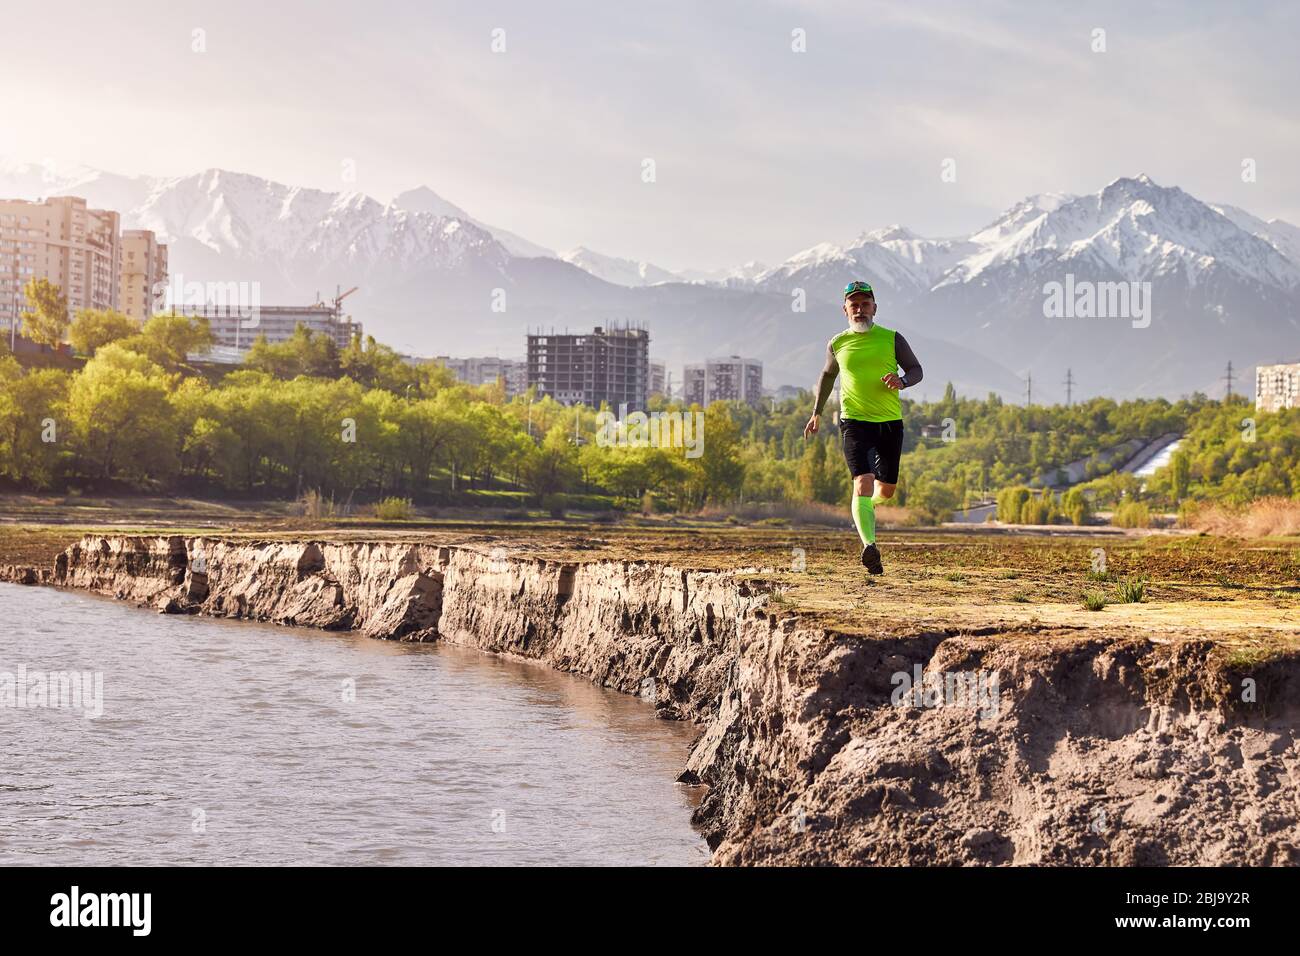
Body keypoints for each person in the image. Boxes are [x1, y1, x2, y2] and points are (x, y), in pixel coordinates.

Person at [803, 280, 924, 574]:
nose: (859, 309)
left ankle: (866, 507)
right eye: (854, 305)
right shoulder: (837, 343)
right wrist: (816, 412)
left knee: (887, 490)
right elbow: (827, 375)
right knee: (863, 483)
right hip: (854, 423)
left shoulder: (892, 338)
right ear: (845, 310)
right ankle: (870, 546)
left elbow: (916, 370)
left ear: (874, 308)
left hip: (889, 423)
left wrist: (902, 381)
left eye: (865, 304)